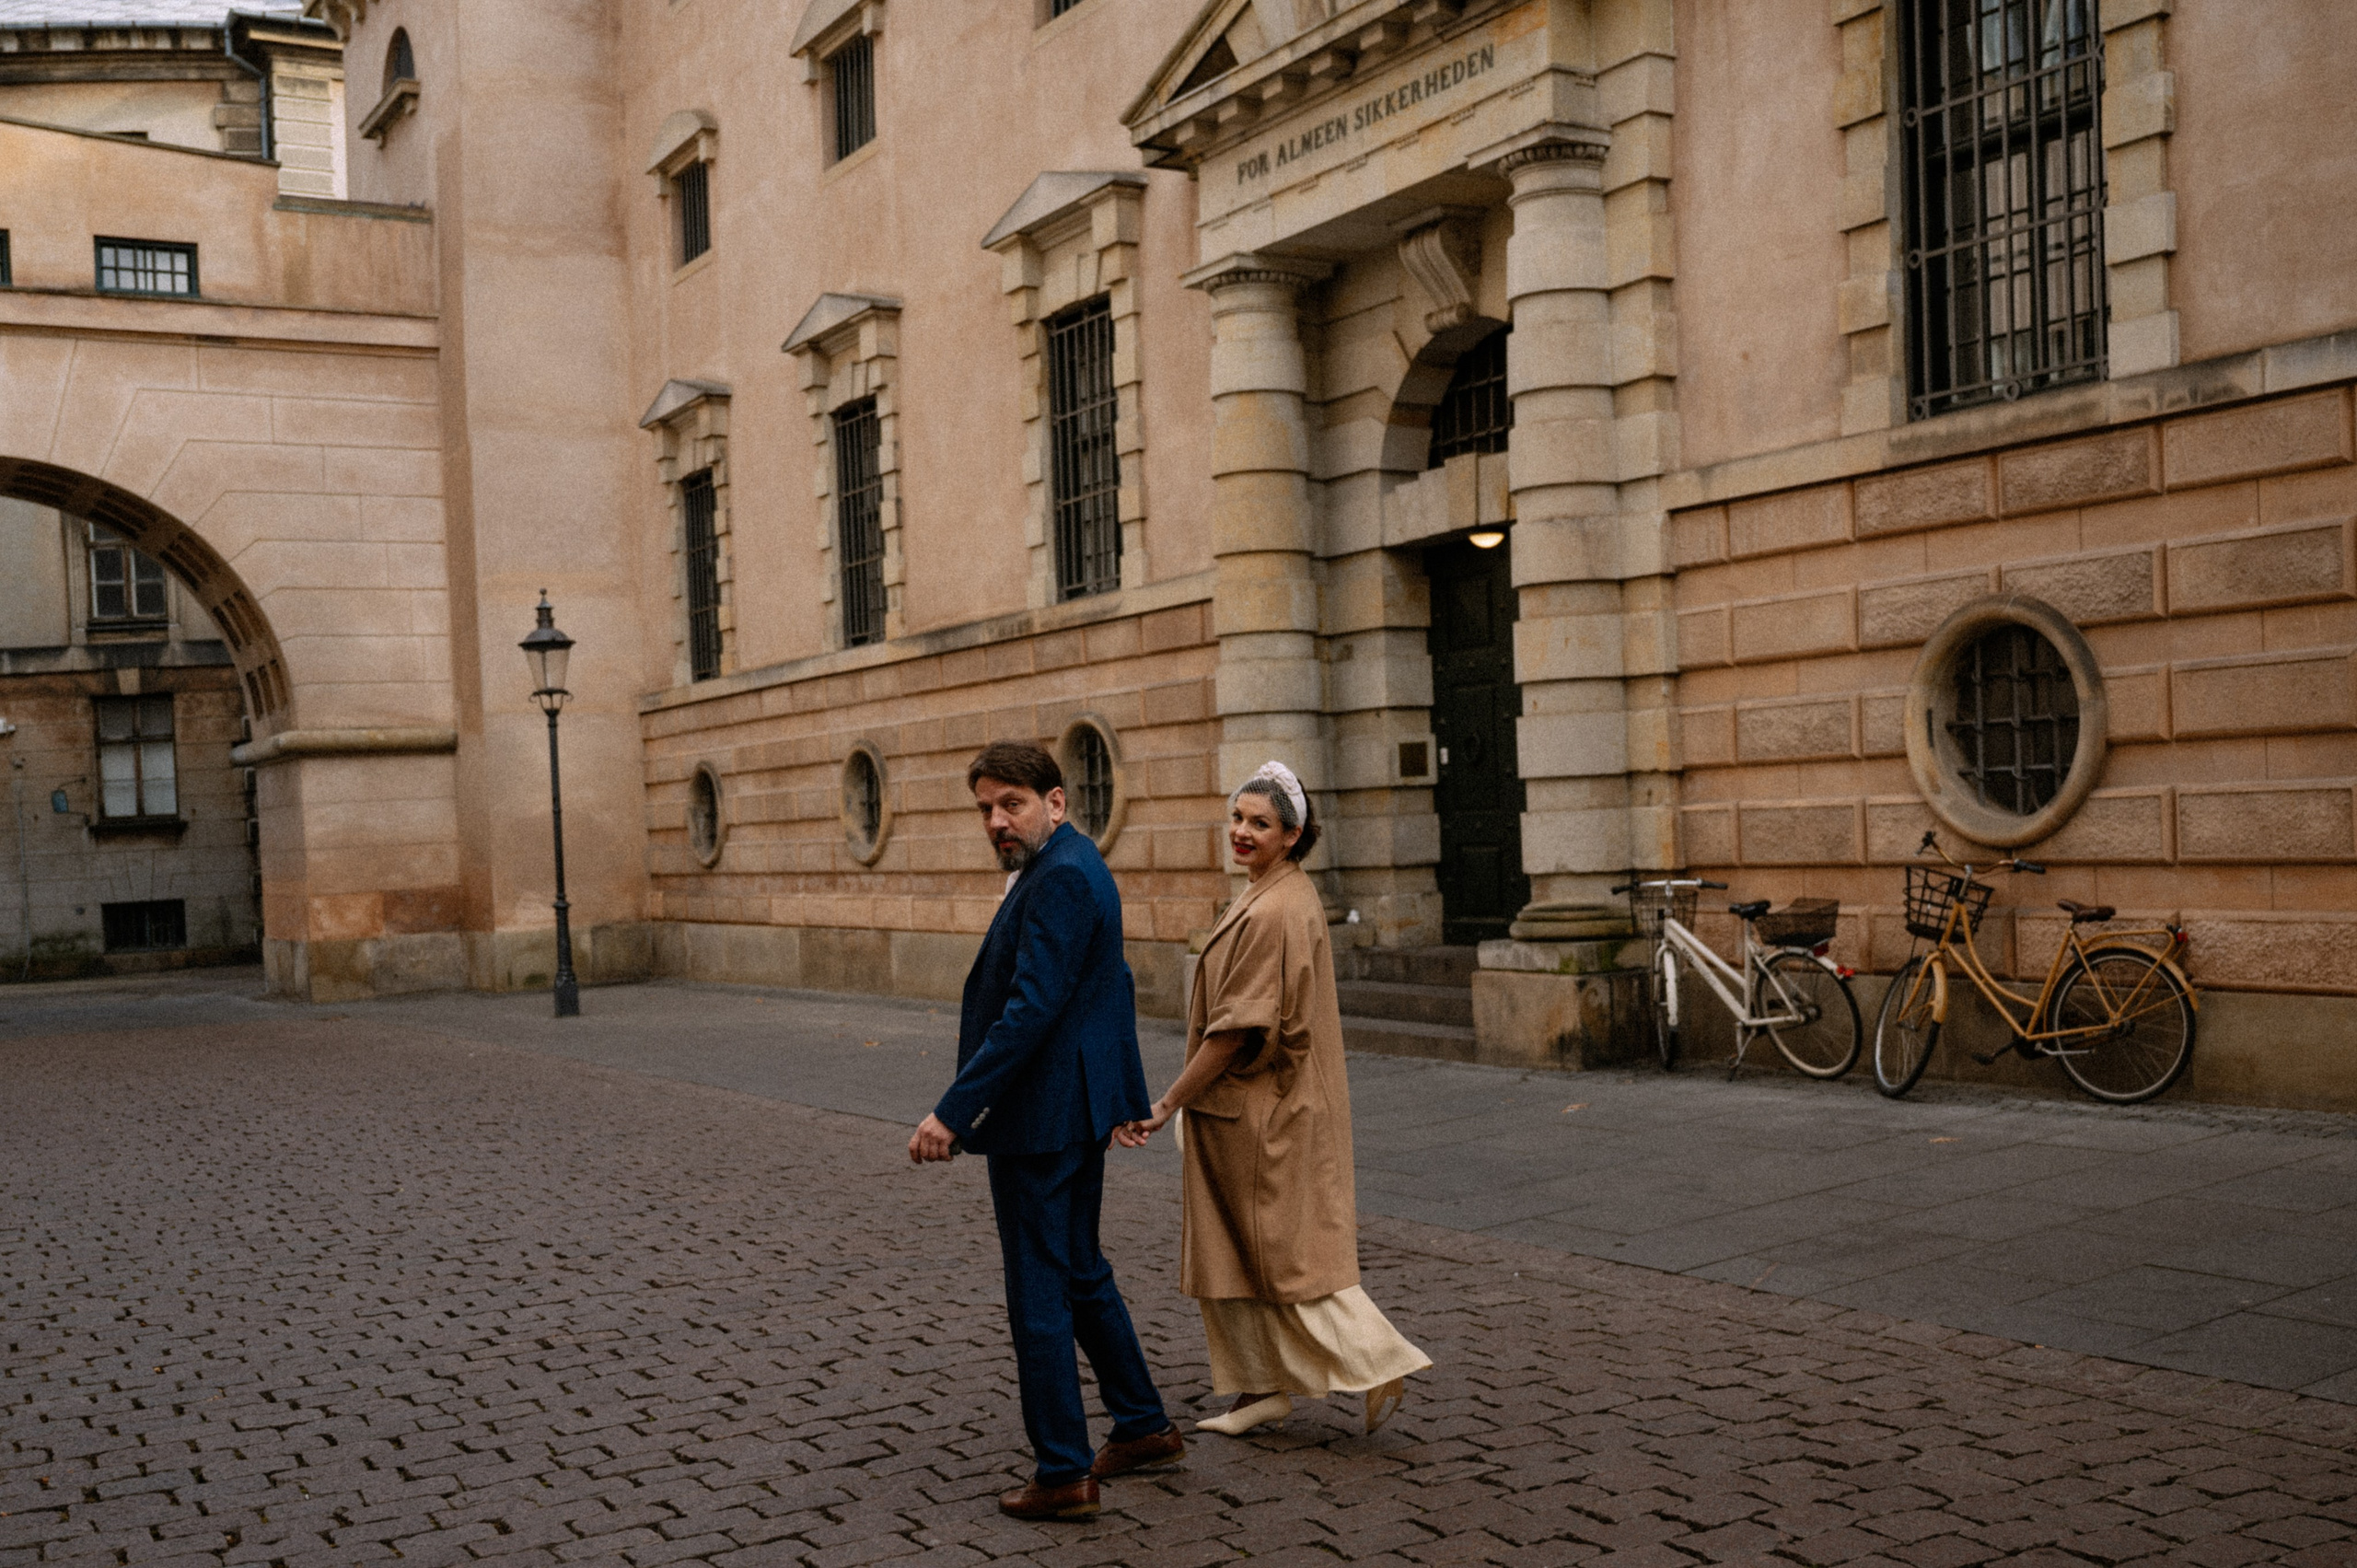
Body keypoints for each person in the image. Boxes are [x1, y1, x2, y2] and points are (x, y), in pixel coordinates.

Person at [908, 740, 1184, 1520]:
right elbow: (1109, 986)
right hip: (1072, 1109)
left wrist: (952, 1111)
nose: (997, 820)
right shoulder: (1070, 862)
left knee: (1039, 1288)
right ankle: (1142, 1425)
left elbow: (1030, 1010)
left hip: (1041, 1118)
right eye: (986, 809)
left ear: (1055, 802)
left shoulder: (1060, 874)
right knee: (1079, 1268)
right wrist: (1123, 1094)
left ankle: (1064, 1470)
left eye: (1012, 804)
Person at [1116, 760, 1430, 1437]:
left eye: (1259, 823)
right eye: (1237, 818)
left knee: (1284, 1259)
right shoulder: (1274, 893)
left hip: (1262, 1114)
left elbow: (1237, 1030)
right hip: (1248, 1111)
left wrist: (1166, 1101)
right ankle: (1261, 1388)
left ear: (1292, 835)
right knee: (1238, 1256)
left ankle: (1378, 1359)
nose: (1242, 831)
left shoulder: (1277, 907)